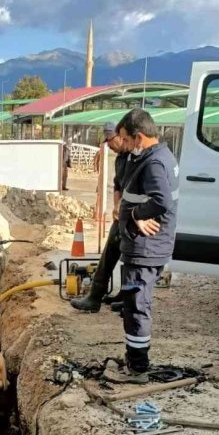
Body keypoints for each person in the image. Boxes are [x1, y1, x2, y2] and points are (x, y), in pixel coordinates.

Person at [116, 108, 179, 377]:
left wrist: (134, 215)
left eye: (127, 141)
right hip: (142, 246)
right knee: (133, 305)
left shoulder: (153, 163)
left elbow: (161, 201)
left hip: (145, 248)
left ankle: (139, 367)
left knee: (137, 306)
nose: (125, 147)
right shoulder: (156, 156)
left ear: (139, 137)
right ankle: (134, 357)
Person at [71, 120, 129, 312]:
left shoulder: (137, 158)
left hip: (135, 216)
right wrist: (116, 205)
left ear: (121, 136)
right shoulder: (121, 159)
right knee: (110, 253)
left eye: (110, 140)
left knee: (131, 257)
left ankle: (125, 297)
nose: (109, 144)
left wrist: (123, 207)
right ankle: (95, 296)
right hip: (122, 214)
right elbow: (118, 185)